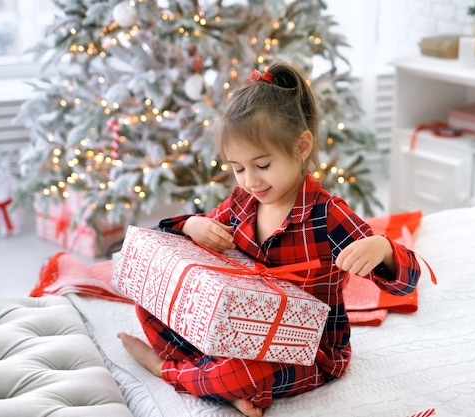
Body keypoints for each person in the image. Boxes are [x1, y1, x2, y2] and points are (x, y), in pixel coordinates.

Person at [117, 61, 422, 417]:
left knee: (245, 372)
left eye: (262, 166)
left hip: (307, 351)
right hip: (237, 330)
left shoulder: (327, 215)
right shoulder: (242, 202)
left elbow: (406, 281)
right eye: (238, 167)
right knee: (151, 300)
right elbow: (189, 239)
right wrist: (192, 226)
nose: (250, 180)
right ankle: (217, 381)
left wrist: (381, 248)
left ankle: (168, 370)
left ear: (301, 146)